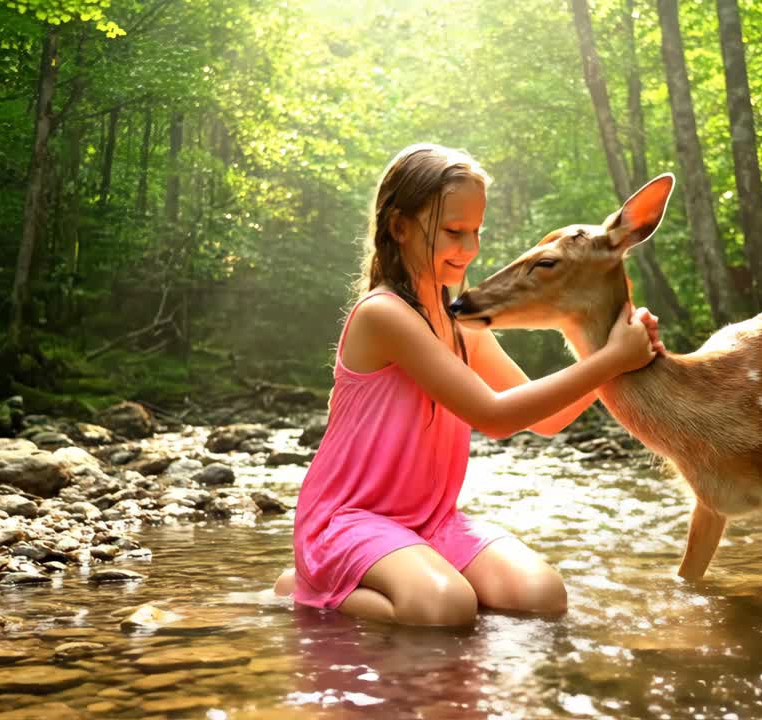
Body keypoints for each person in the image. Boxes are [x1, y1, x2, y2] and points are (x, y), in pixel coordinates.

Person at [273, 144, 663, 626]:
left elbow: (545, 419)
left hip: (432, 523)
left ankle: (406, 577)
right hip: (348, 523)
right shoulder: (384, 315)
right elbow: (495, 416)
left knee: (543, 596)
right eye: (454, 232)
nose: (470, 248)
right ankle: (307, 586)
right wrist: (610, 360)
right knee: (447, 608)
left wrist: (621, 356)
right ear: (399, 228)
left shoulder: (462, 326)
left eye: (476, 231)